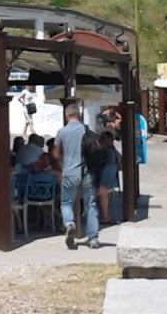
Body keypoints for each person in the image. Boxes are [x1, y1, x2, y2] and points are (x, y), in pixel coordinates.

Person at [53, 103, 100, 250]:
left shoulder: (62, 132)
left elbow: (55, 153)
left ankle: (69, 223)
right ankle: (93, 239)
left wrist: (64, 159)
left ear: (66, 115)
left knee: (66, 202)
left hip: (69, 171)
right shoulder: (86, 130)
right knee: (90, 205)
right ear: (79, 115)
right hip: (87, 171)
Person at [98, 131, 121, 224]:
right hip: (112, 181)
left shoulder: (104, 152)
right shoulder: (115, 152)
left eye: (102, 138)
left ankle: (103, 216)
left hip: (104, 182)